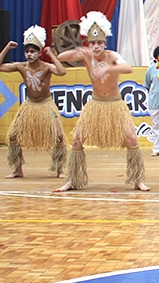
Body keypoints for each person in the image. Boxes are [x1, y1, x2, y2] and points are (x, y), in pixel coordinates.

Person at [55, 11, 149, 191]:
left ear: (105, 43)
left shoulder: (112, 56)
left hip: (115, 104)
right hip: (95, 104)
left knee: (130, 139)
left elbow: (127, 67)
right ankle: (72, 180)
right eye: (92, 43)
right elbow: (61, 57)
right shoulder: (86, 55)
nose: (96, 47)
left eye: (99, 43)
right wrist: (79, 51)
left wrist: (108, 69)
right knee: (77, 141)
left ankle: (138, 180)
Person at [0, 25, 67, 179]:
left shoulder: (46, 67)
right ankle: (17, 169)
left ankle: (60, 169)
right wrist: (7, 48)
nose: (29, 54)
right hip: (29, 105)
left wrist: (51, 54)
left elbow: (62, 71)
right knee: (13, 136)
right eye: (27, 51)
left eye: (33, 51)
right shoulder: (21, 67)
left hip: (46, 104)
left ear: (39, 52)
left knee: (59, 135)